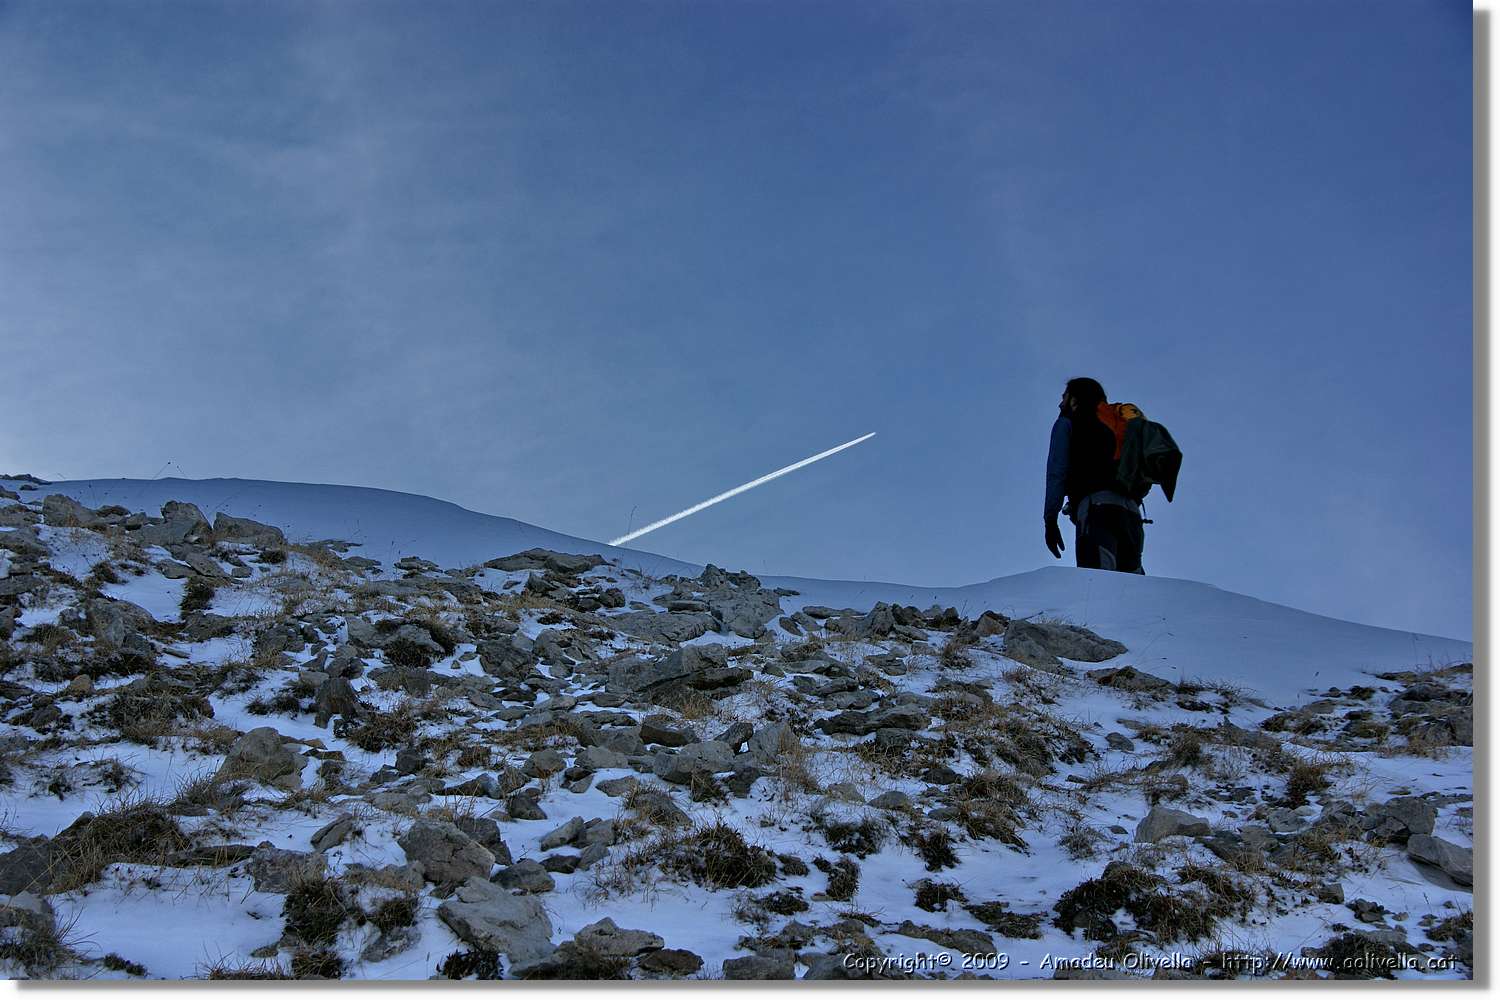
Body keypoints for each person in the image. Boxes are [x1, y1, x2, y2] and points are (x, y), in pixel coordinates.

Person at [1043, 377, 1146, 573]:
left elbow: (1057, 471)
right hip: (1132, 513)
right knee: (1132, 587)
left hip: (1096, 509)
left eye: (1064, 397)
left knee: (1097, 582)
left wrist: (1050, 520)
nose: (1060, 403)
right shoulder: (1119, 423)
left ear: (1074, 400)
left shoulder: (1068, 422)